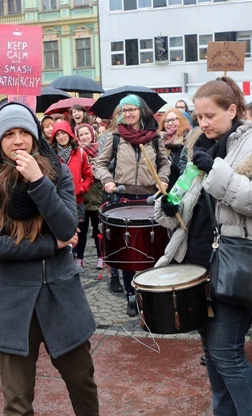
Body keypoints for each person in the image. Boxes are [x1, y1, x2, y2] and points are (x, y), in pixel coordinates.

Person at [154, 77, 252, 415]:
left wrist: (215, 170)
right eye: (199, 116)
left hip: (235, 265)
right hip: (196, 265)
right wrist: (169, 206)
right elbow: (185, 203)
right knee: (214, 359)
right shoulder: (199, 146)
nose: (202, 123)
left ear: (232, 110)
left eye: (210, 116)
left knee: (227, 355)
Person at [0, 102, 98, 415]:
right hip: (13, 303)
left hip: (61, 295)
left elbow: (68, 226)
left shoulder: (57, 175)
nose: (17, 140)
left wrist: (38, 182)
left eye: (24, 133)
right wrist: (52, 245)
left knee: (82, 383)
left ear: (34, 136)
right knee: (17, 402)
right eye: (9, 134)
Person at [94, 94, 170, 317]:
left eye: (131, 110)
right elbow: (100, 164)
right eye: (124, 110)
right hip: (123, 200)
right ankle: (130, 295)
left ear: (140, 111)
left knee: (153, 250)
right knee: (128, 252)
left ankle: (149, 293)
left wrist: (164, 179)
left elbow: (164, 164)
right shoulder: (115, 136)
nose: (127, 114)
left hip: (150, 200)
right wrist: (107, 180)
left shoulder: (154, 137)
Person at [49, 120, 94, 269]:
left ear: (69, 134)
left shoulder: (80, 152)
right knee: (61, 230)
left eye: (64, 133)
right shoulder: (51, 155)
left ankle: (78, 258)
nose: (61, 137)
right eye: (58, 134)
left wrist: (81, 189)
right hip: (57, 201)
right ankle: (64, 260)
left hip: (77, 200)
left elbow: (89, 176)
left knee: (78, 230)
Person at [74, 123, 107, 273]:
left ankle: (101, 257)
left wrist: (96, 169)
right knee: (81, 230)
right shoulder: (77, 152)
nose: (84, 137)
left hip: (98, 197)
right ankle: (79, 258)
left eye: (87, 133)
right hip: (81, 197)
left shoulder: (101, 150)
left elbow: (107, 169)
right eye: (81, 135)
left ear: (92, 134)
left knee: (98, 230)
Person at [158, 108, 191, 187]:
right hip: (162, 188)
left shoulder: (189, 139)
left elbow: (190, 169)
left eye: (173, 120)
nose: (169, 123)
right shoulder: (159, 140)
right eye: (166, 121)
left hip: (182, 188)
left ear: (181, 120)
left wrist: (171, 164)